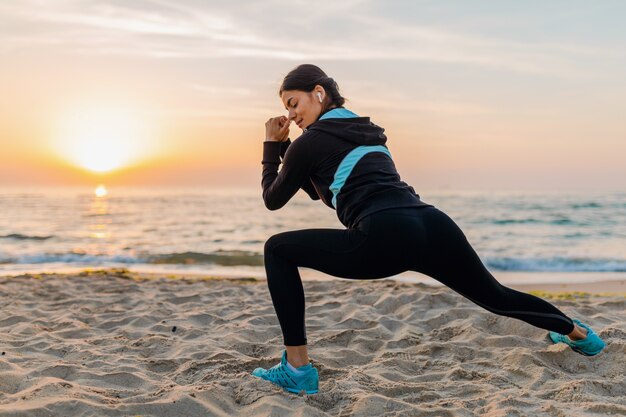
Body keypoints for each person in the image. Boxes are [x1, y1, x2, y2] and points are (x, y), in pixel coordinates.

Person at [251, 64, 606, 395]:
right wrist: (286, 148)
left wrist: (271, 147)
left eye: (293, 103)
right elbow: (321, 191)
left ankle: (297, 370)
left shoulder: (308, 143)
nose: (291, 114)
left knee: (276, 249)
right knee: (496, 295)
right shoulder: (364, 130)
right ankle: (581, 336)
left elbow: (272, 198)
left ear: (318, 93)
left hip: (381, 234)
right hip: (432, 223)